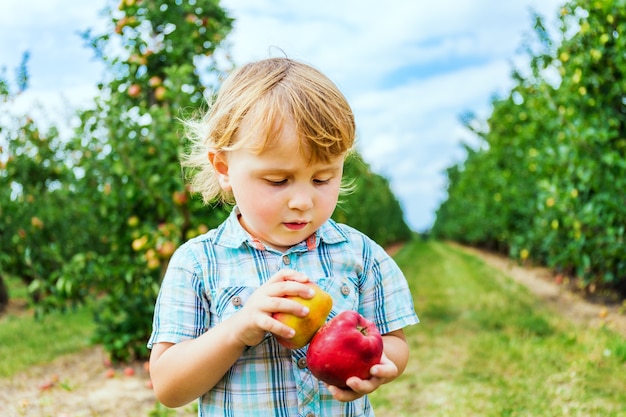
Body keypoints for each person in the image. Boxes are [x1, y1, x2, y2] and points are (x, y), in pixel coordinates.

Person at [147, 57, 419, 416]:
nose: (303, 201)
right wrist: (238, 329)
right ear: (224, 168)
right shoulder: (198, 263)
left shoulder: (360, 254)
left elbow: (393, 343)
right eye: (278, 181)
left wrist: (379, 367)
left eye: (323, 179)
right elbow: (168, 386)